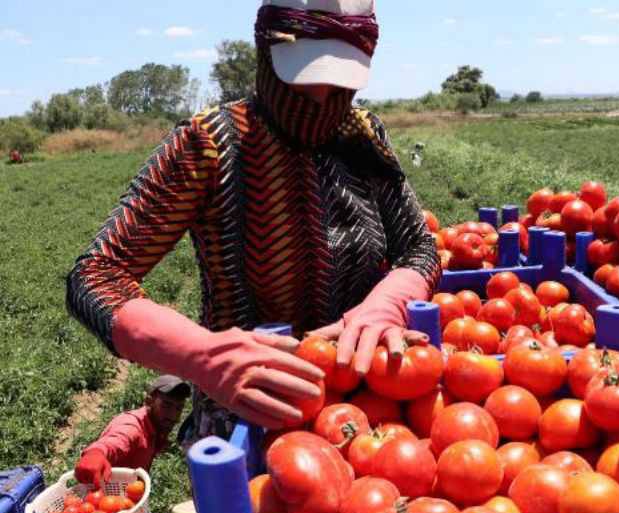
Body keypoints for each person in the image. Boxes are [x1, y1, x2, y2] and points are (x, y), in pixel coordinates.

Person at [66, 0, 440, 446]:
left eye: (339, 86)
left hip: (364, 404)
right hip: (246, 409)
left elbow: (418, 247)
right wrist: (200, 353)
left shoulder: (362, 136)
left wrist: (388, 302)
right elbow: (95, 277)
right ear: (264, 53)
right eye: (302, 83)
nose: (321, 99)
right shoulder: (209, 145)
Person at [74, 375, 191, 487]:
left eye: (179, 408)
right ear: (149, 401)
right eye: (166, 405)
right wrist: (95, 453)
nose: (173, 415)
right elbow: (117, 440)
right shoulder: (132, 426)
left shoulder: (154, 425)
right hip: (105, 497)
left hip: (126, 496)